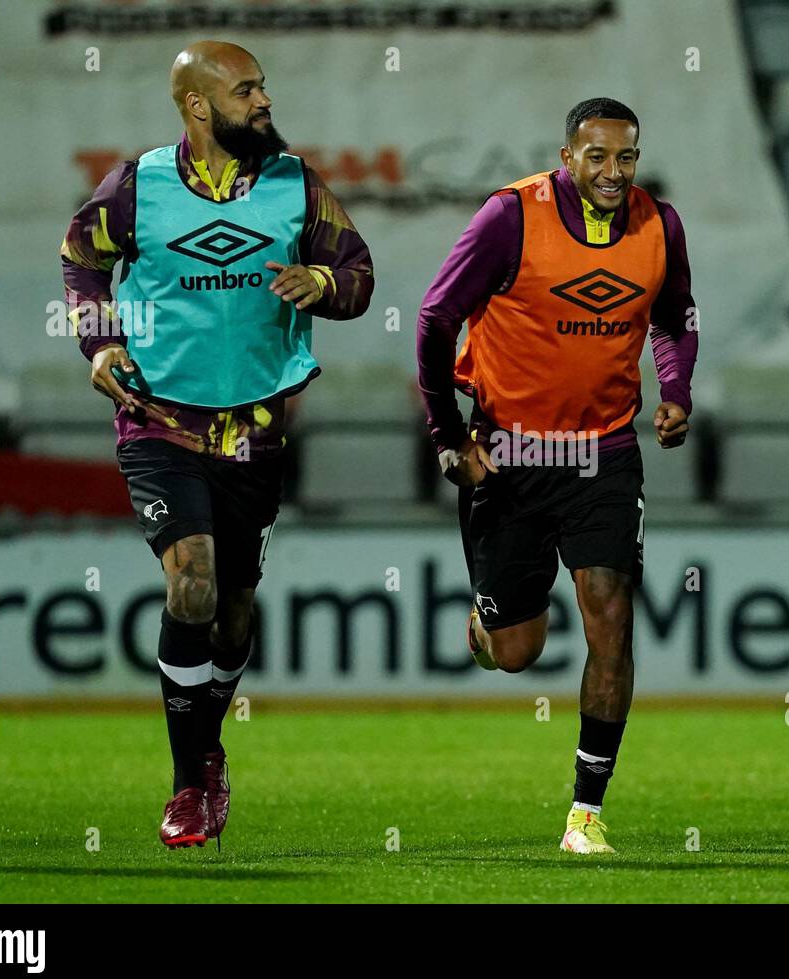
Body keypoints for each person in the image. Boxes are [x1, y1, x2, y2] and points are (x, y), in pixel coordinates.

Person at [60, 40, 373, 848]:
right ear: (198, 106)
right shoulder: (138, 187)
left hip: (258, 429)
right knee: (191, 583)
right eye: (246, 91)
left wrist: (325, 285)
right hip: (159, 417)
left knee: (233, 615)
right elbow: (81, 263)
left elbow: (359, 274)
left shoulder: (296, 185)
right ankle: (188, 781)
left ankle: (210, 747)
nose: (263, 101)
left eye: (264, 86)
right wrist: (99, 346)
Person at [416, 97, 699, 854]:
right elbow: (435, 320)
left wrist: (676, 390)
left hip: (604, 453)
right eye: (598, 156)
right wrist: (448, 437)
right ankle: (488, 622)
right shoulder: (510, 217)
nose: (614, 172)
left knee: (610, 613)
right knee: (518, 652)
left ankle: (586, 812)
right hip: (509, 455)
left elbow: (674, 320)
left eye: (627, 157)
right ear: (567, 155)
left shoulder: (658, 225)